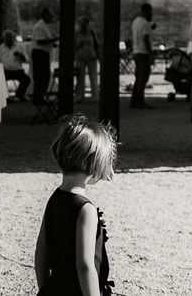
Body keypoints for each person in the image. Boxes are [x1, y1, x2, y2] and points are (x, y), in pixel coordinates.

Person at [35, 114, 117, 296]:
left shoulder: (55, 198)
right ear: (94, 164)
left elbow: (41, 252)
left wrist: (44, 289)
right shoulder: (85, 209)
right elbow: (85, 266)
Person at [0, 28, 30, 101]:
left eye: (10, 37)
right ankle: (5, 98)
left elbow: (26, 60)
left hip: (18, 70)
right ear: (4, 39)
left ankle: (19, 95)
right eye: (7, 38)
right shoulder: (0, 48)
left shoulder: (19, 47)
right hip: (6, 70)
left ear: (13, 38)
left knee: (27, 79)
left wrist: (21, 55)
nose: (9, 39)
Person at [32, 8, 59, 105]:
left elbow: (45, 40)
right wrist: (55, 39)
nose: (51, 18)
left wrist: (52, 43)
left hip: (43, 53)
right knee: (41, 76)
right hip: (40, 53)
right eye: (50, 16)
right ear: (45, 15)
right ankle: (38, 98)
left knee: (44, 76)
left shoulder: (44, 25)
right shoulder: (40, 26)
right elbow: (40, 41)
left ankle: (40, 97)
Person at [130, 3, 154, 110]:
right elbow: (145, 40)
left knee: (138, 77)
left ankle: (134, 100)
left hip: (136, 51)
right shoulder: (145, 23)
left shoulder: (135, 22)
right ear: (148, 11)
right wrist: (151, 54)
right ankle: (140, 101)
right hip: (143, 53)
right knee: (143, 78)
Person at [74, 16, 99, 103]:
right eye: (82, 24)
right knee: (80, 77)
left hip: (91, 56)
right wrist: (79, 45)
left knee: (93, 77)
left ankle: (95, 97)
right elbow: (73, 46)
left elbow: (96, 43)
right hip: (80, 57)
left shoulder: (91, 33)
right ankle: (79, 96)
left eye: (86, 24)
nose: (84, 26)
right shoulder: (76, 34)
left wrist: (97, 54)